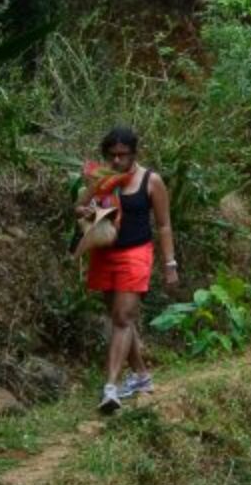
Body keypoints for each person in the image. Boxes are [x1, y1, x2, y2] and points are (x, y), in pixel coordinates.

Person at [76, 127, 178, 413]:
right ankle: (142, 377)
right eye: (112, 155)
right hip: (105, 252)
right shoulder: (103, 179)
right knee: (120, 317)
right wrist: (85, 212)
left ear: (134, 153)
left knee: (122, 316)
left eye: (123, 155)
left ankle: (110, 387)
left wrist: (170, 264)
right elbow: (79, 205)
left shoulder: (151, 180)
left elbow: (163, 224)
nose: (117, 160)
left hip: (136, 254)